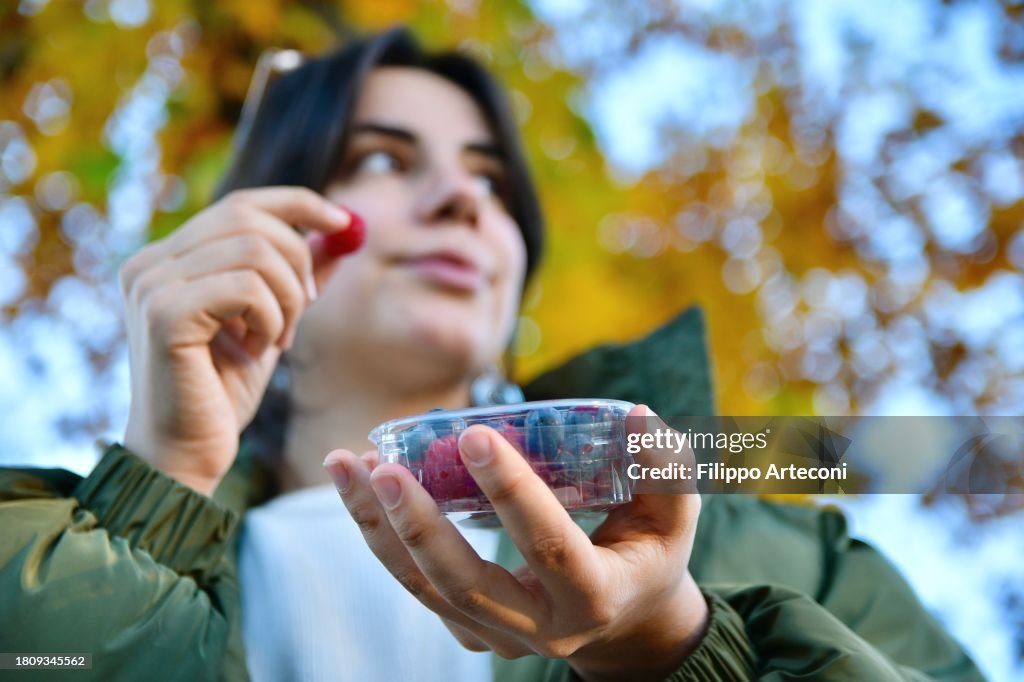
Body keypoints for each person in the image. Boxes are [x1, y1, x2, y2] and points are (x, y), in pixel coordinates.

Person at [0, 26, 984, 682]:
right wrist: (153, 499)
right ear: (260, 224)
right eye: (381, 157)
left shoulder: (788, 558)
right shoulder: (41, 550)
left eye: (491, 180)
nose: (464, 199)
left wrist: (676, 649)